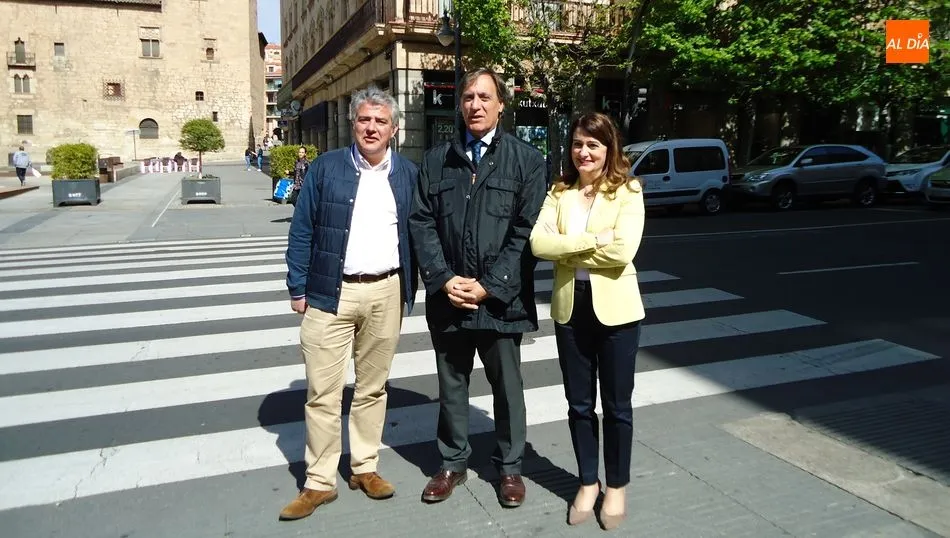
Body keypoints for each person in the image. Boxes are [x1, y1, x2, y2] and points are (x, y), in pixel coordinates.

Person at [409, 67, 547, 508]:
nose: (476, 105)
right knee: (452, 387)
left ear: (501, 105)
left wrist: (490, 285)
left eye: (485, 97)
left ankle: (510, 467)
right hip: (449, 297)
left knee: (507, 388)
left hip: (500, 301)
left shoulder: (527, 161)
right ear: (460, 104)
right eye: (469, 97)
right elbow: (421, 223)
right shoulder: (437, 160)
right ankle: (452, 463)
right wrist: (443, 278)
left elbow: (527, 232)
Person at [281, 86, 419, 521]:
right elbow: (302, 229)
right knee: (322, 393)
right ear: (353, 123)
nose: (371, 128)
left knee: (372, 388)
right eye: (364, 119)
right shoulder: (326, 168)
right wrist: (298, 287)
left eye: (381, 121)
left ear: (394, 129)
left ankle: (364, 468)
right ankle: (319, 481)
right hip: (329, 292)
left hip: (386, 290)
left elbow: (421, 232)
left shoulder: (408, 174)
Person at [528, 112, 646, 531]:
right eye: (578, 144)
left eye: (593, 144)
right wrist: (593, 240)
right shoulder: (559, 191)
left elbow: (622, 253)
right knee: (579, 404)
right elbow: (538, 243)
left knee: (616, 406)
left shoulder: (627, 191)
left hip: (617, 313)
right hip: (570, 308)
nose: (584, 152)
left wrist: (567, 250)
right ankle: (587, 482)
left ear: (609, 148)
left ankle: (617, 486)